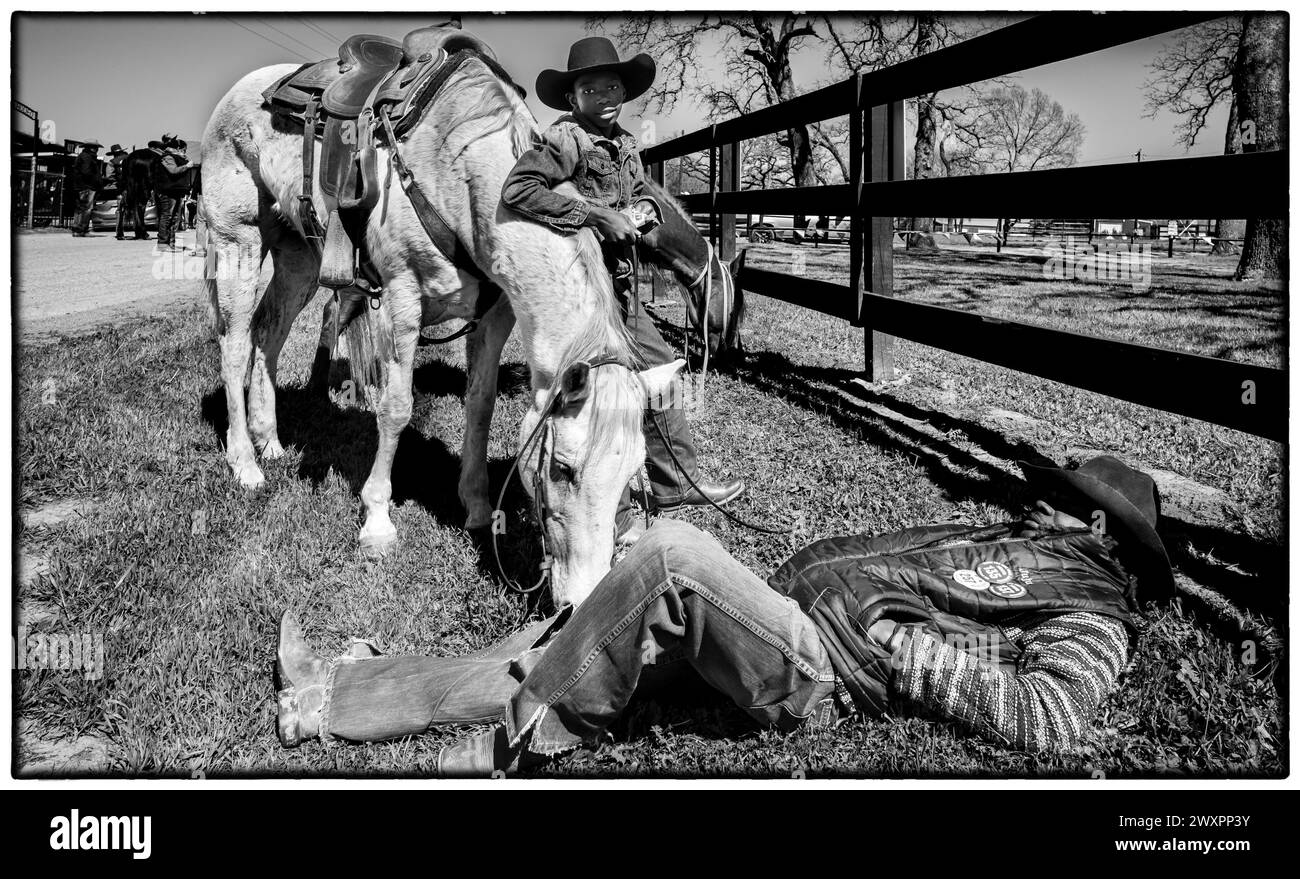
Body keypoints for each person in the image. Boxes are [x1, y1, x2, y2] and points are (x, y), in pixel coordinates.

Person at [275, 456, 1176, 776]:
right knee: (640, 559)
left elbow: (1052, 719)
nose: (1040, 507)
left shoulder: (1089, 608)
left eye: (1062, 502)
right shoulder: (1024, 549)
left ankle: (523, 741)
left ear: (1094, 527)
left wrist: (903, 649)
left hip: (823, 672)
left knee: (670, 559)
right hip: (792, 624)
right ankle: (337, 692)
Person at [500, 37, 744, 543]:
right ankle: (609, 507)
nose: (606, 95)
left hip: (625, 292)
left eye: (613, 85)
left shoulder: (627, 144)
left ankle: (673, 483)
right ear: (573, 98)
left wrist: (642, 212)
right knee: (597, 398)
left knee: (662, 377)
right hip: (586, 293)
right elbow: (518, 189)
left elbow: (634, 199)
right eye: (592, 87)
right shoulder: (565, 140)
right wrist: (593, 215)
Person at [151, 135, 191, 254]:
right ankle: (163, 243)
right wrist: (186, 166)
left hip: (175, 191)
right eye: (183, 149)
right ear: (178, 148)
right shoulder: (168, 157)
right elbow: (173, 171)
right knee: (167, 216)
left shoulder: (176, 157)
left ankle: (171, 243)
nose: (184, 152)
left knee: (174, 218)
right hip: (167, 191)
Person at [69, 140, 106, 237]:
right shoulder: (87, 157)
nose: (97, 149)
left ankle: (76, 229)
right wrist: (96, 182)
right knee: (87, 208)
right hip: (87, 186)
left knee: (80, 208)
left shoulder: (83, 156)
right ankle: (82, 229)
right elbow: (87, 172)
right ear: (91, 148)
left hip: (81, 186)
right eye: (95, 147)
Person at [107, 144, 130, 240]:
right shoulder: (129, 159)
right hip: (132, 187)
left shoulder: (112, 162)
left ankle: (119, 232)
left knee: (120, 210)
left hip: (121, 188)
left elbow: (109, 176)